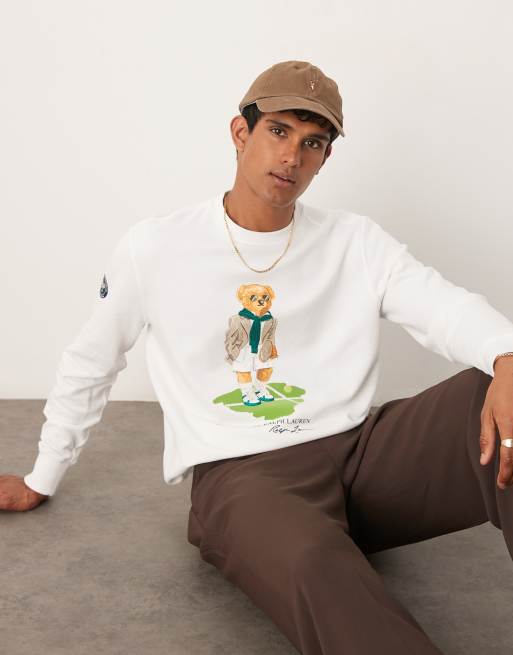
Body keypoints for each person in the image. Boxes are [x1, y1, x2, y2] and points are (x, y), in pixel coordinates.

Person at [2, 60, 513, 654]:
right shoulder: (157, 247)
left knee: (499, 391)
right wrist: (42, 475)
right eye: (278, 131)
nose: (292, 156)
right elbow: (93, 361)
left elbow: (444, 307)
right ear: (240, 133)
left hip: (363, 458)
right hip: (244, 478)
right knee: (315, 563)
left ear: (325, 158)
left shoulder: (355, 241)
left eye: (312, 143)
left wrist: (507, 358)